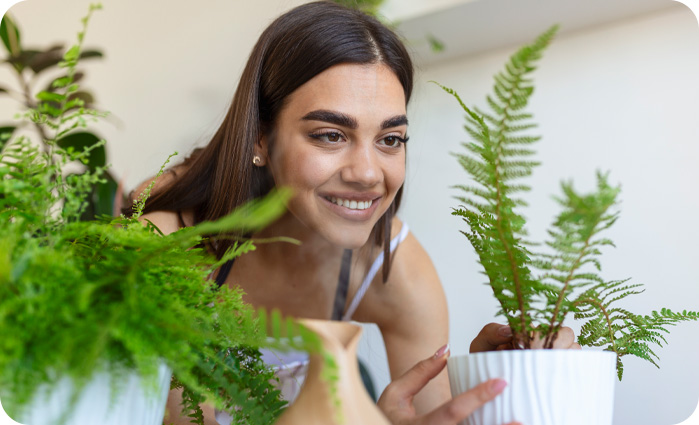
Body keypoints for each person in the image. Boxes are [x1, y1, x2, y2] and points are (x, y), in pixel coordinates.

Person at [133, 2, 578, 424]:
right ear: (260, 139)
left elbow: (431, 415)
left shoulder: (393, 268)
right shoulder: (164, 245)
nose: (367, 174)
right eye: (330, 135)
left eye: (390, 139)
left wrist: (496, 390)